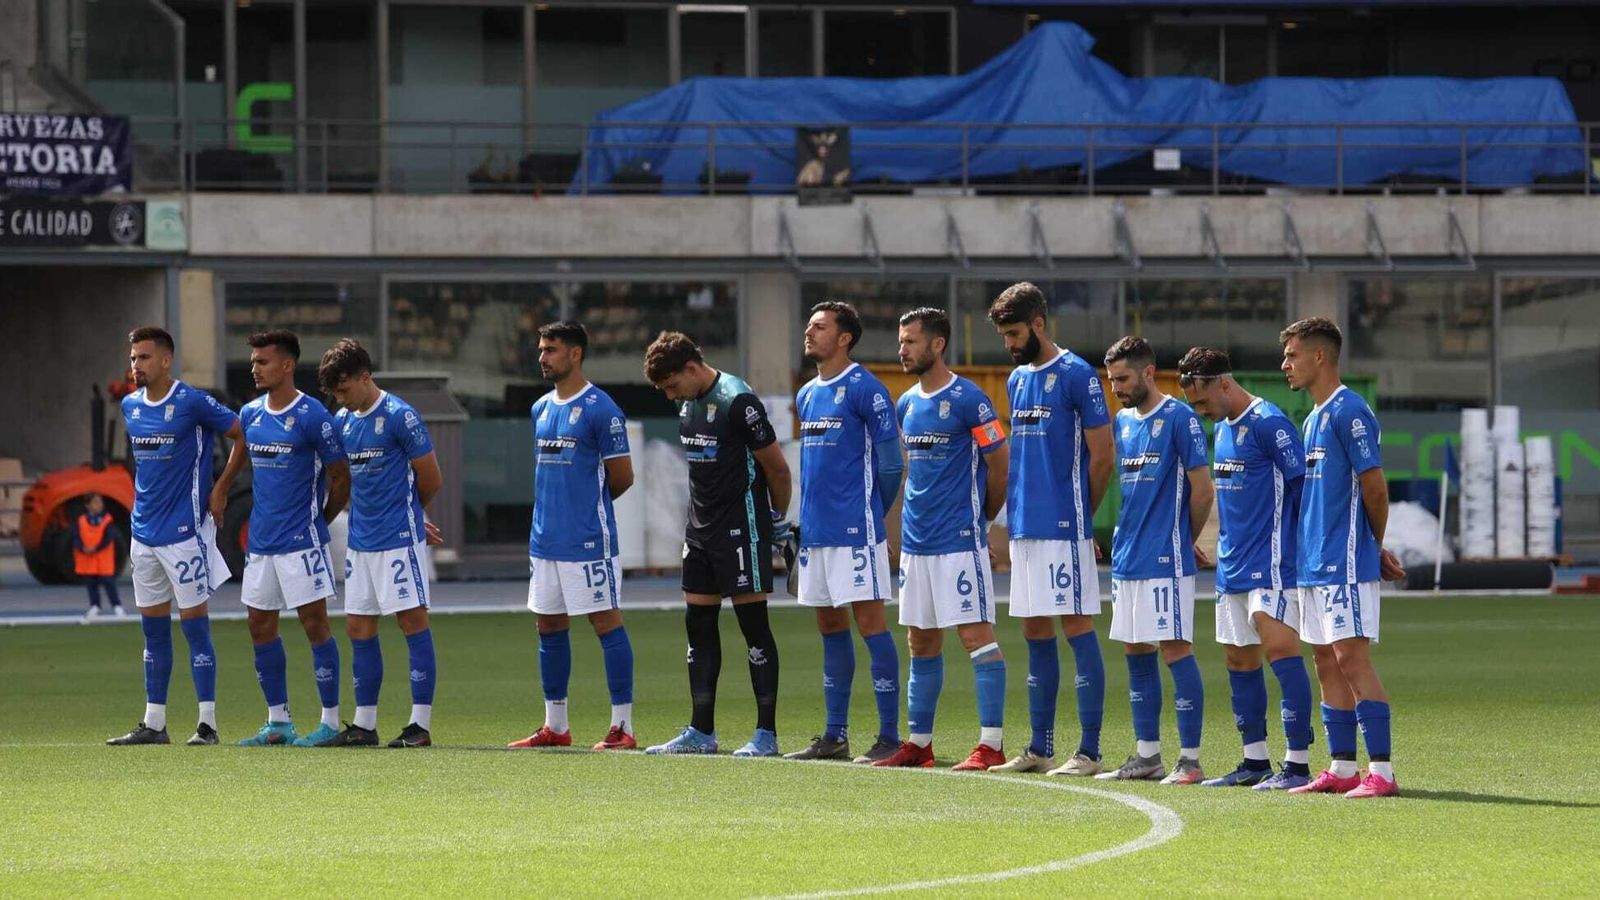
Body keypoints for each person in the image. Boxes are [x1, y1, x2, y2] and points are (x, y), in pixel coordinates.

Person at [642, 331, 792, 757]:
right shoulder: (688, 404)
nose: (671, 397)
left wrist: (775, 520)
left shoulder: (738, 400)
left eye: (672, 386)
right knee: (698, 628)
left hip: (741, 528)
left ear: (691, 368)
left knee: (754, 629)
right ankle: (701, 732)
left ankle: (766, 734)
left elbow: (778, 471)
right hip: (700, 533)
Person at [873, 308, 1010, 771]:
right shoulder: (906, 403)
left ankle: (991, 744)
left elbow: (1001, 466)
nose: (902, 349)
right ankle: (920, 744)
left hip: (958, 542)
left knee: (975, 637)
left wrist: (981, 521)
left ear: (936, 345)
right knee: (921, 642)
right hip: (916, 545)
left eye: (910, 341)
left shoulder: (971, 399)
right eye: (900, 341)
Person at [986, 282, 1113, 777]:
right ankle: (1040, 748)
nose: (1009, 344)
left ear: (1038, 324)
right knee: (1035, 631)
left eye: (1014, 333)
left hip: (1065, 527)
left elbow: (1102, 457)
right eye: (1003, 335)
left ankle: (1090, 750)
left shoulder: (1079, 375)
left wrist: (1082, 516)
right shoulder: (1017, 382)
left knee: (1077, 629)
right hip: (1025, 528)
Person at [1176, 346, 1316, 791]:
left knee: (1281, 653)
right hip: (1231, 564)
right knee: (1238, 659)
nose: (1199, 411)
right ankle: (1254, 759)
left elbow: (1304, 490)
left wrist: (1306, 552)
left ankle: (1297, 764)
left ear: (1224, 383)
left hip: (1273, 564)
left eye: (1201, 402)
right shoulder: (1223, 428)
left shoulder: (1269, 423)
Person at [1279, 317, 1406, 799]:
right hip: (1312, 563)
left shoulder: (1351, 411)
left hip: (1344, 561)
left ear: (1319, 356)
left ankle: (1384, 773)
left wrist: (1372, 548)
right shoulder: (1312, 418)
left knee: (1351, 658)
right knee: (1324, 661)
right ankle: (1342, 767)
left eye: (1292, 355)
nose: (1285, 364)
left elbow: (1374, 488)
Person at [213, 330, 350, 748]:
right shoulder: (252, 413)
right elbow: (241, 449)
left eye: (263, 362)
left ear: (287, 365)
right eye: (253, 361)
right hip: (261, 544)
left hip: (302, 544)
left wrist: (321, 520)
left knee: (315, 626)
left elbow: (340, 474)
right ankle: (278, 722)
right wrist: (222, 487)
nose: (254, 368)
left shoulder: (313, 415)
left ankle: (329, 722)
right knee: (259, 625)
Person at [107, 326, 240, 747]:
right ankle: (154, 723)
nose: (136, 365)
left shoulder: (192, 402)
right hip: (143, 536)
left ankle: (207, 724)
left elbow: (241, 434)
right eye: (133, 358)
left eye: (144, 358)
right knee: (152, 632)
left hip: (185, 535)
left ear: (166, 360)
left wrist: (220, 489)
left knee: (195, 629)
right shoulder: (129, 406)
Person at [508, 322, 639, 752]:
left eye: (551, 350)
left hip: (587, 540)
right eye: (541, 349)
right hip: (545, 541)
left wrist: (586, 508)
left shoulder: (602, 409)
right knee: (548, 625)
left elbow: (621, 477)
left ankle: (623, 727)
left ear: (576, 354)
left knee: (606, 623)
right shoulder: (541, 408)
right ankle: (556, 727)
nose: (543, 357)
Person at [785, 302, 904, 764]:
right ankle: (835, 735)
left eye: (819, 327)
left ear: (844, 338)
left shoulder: (867, 390)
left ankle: (890, 736)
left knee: (871, 625)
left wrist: (871, 512)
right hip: (816, 534)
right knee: (829, 626)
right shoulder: (807, 395)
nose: (809, 333)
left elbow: (892, 464)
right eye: (808, 325)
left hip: (856, 531)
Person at [1095, 336, 1214, 785]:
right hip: (1127, 557)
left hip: (1165, 557)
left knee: (1175, 650)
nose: (1117, 388)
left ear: (1148, 372)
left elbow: (1202, 490)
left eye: (1123, 378)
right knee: (1135, 650)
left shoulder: (1180, 419)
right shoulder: (1122, 422)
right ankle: (1148, 756)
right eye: (1111, 380)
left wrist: (1184, 539)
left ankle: (1190, 760)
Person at [316, 339, 445, 749]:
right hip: (360, 542)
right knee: (358, 626)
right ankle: (364, 725)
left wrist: (409, 515)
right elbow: (343, 480)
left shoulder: (400, 417)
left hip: (396, 540)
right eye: (335, 393)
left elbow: (431, 478)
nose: (340, 399)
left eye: (344, 390)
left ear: (365, 377)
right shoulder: (344, 421)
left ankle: (419, 726)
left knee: (411, 623)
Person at [75, 493, 126, 618]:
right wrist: (83, 548)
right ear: (88, 505)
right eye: (95, 502)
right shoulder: (81, 521)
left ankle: (117, 606)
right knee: (91, 584)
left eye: (100, 502)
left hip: (103, 558)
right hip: (88, 559)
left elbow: (109, 537)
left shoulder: (107, 520)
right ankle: (95, 606)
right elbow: (76, 537)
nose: (99, 505)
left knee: (109, 583)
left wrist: (96, 548)